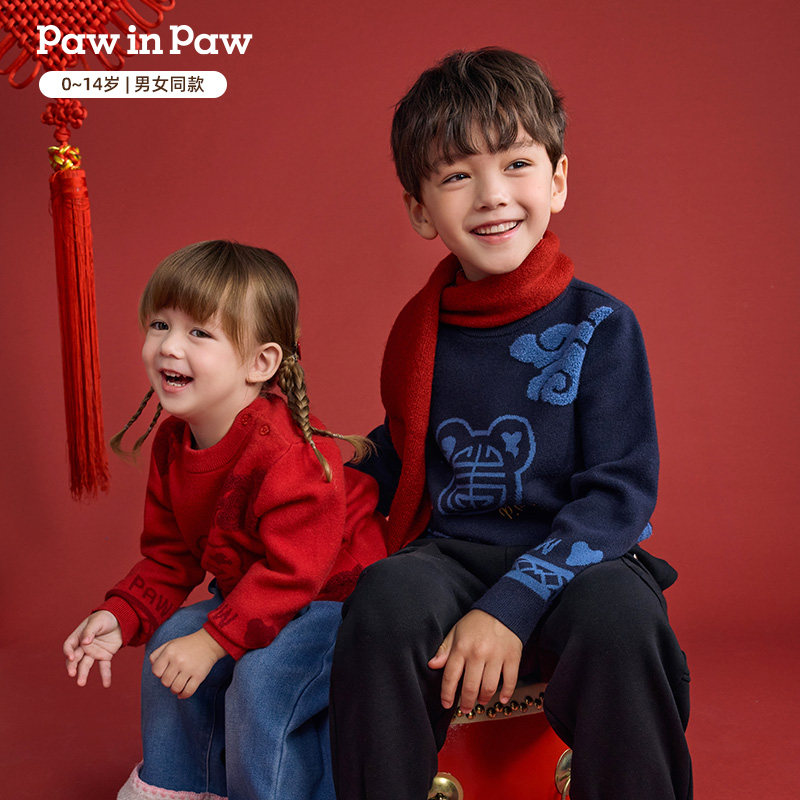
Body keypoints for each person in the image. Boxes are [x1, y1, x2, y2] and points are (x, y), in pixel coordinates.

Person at [329, 48, 692, 800]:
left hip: (578, 553)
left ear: (557, 180)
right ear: (420, 210)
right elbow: (412, 448)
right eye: (457, 176)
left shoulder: (601, 325)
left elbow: (619, 495)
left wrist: (510, 608)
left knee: (621, 618)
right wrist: (327, 466)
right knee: (386, 599)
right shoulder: (420, 331)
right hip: (453, 549)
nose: (492, 196)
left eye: (517, 164)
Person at [63, 240, 387, 800]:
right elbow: (170, 556)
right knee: (170, 642)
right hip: (258, 597)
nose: (169, 346)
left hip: (339, 600)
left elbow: (293, 576)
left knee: (261, 682)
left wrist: (215, 641)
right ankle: (182, 790)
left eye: (199, 333)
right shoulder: (173, 444)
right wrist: (121, 614)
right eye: (160, 325)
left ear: (260, 363)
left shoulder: (289, 455)